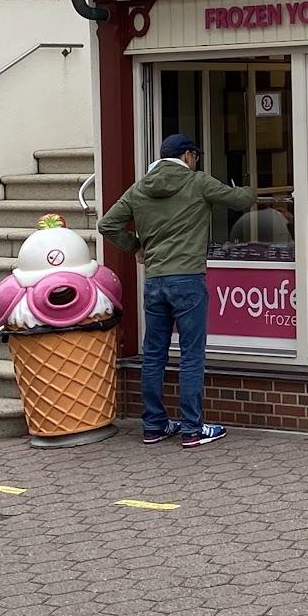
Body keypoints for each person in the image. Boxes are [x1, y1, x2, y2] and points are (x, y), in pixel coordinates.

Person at [98, 134, 256, 449]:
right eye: (195, 156)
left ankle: (154, 426)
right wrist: (250, 188)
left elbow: (107, 224)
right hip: (187, 280)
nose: (196, 161)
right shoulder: (197, 182)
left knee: (154, 355)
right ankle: (192, 430)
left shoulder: (140, 188)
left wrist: (137, 247)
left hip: (155, 282)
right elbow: (241, 201)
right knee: (191, 355)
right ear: (187, 156)